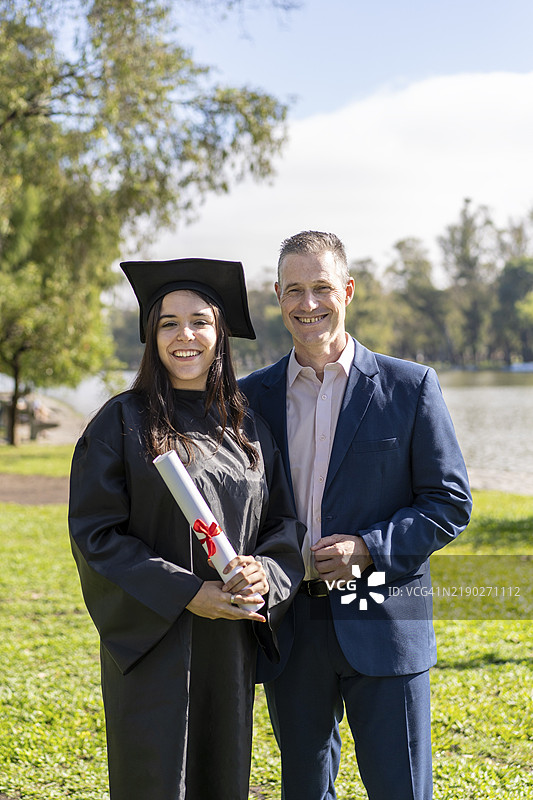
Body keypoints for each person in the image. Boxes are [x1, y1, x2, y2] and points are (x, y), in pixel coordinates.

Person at [239, 231, 472, 800]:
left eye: (321, 287)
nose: (308, 303)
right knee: (305, 790)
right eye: (294, 289)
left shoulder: (410, 386)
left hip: (385, 618)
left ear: (347, 290)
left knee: (401, 789)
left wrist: (368, 549)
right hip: (292, 625)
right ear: (276, 295)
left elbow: (449, 501)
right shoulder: (251, 397)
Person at [68, 257, 304, 800]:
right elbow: (96, 535)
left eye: (199, 321)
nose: (185, 336)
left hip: (227, 643)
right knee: (155, 776)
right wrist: (188, 592)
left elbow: (283, 527)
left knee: (221, 775)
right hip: (155, 641)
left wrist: (263, 573)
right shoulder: (121, 422)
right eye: (168, 323)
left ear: (220, 333)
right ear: (152, 337)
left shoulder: (248, 428)